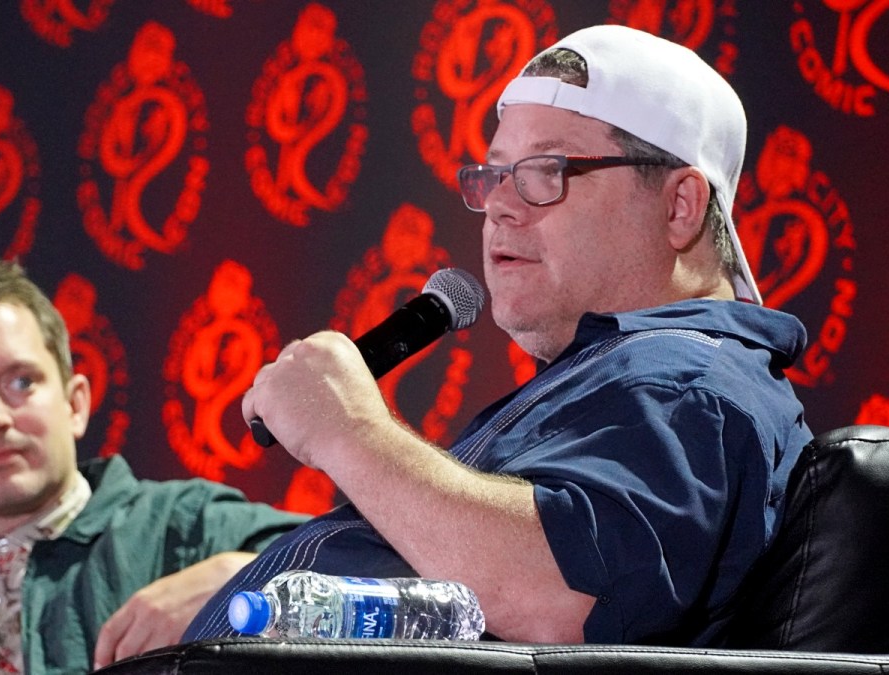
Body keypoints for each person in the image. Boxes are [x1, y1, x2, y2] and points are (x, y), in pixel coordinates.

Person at [184, 24, 812, 646]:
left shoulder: (688, 383)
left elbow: (564, 596)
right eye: (495, 175)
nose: (501, 207)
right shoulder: (613, 375)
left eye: (547, 171)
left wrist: (349, 431)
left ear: (679, 206)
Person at [0, 258, 306, 674]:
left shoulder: (180, 526)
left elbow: (371, 570)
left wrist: (240, 578)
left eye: (21, 382)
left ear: (75, 403)